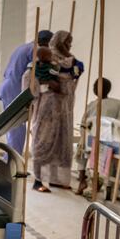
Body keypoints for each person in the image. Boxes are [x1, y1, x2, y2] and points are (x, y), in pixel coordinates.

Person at [25, 30, 83, 192]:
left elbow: (73, 79)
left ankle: (57, 179)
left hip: (64, 110)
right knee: (43, 142)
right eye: (67, 42)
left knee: (61, 145)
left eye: (71, 42)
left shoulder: (70, 61)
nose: (70, 45)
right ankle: (39, 180)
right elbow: (30, 78)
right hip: (47, 109)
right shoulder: (47, 57)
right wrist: (47, 86)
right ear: (59, 42)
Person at [0, 30, 53, 153]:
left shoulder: (23, 47)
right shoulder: (36, 50)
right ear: (46, 42)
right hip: (15, 89)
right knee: (17, 131)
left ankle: (11, 163)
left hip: (8, 86)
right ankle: (12, 166)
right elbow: (30, 75)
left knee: (14, 130)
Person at [75, 77, 120, 194]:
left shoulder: (92, 105)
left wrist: (85, 136)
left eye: (95, 86)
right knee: (86, 147)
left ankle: (82, 179)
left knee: (82, 148)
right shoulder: (118, 103)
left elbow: (83, 124)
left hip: (92, 142)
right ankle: (95, 180)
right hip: (109, 142)